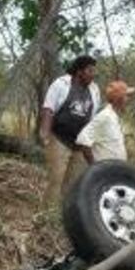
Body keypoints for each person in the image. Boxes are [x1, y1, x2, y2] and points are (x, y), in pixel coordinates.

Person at [39, 55, 100, 206]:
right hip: (59, 139)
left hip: (80, 144)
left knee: (73, 184)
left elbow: (93, 117)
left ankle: (63, 217)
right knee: (56, 179)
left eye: (94, 71)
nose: (93, 74)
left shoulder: (94, 89)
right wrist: (45, 133)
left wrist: (91, 142)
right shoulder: (61, 84)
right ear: (79, 71)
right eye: (90, 71)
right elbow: (48, 109)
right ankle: (46, 215)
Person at [76, 80, 135, 164]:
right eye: (126, 96)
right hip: (105, 172)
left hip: (115, 170)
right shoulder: (105, 116)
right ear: (118, 99)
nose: (128, 100)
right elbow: (83, 140)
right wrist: (95, 167)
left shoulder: (114, 116)